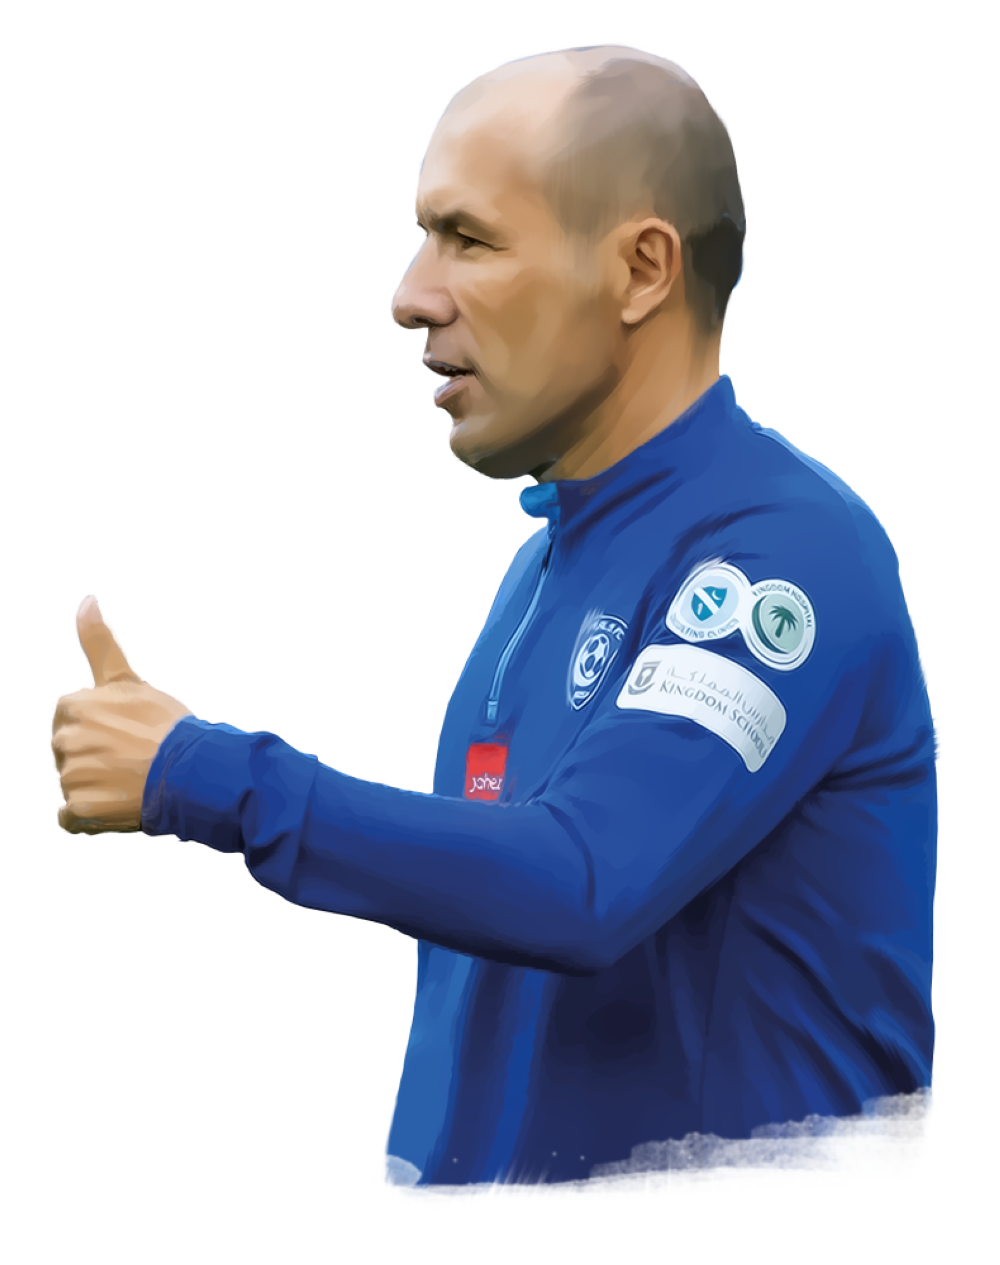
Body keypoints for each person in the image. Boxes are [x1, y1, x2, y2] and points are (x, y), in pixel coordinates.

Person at [51, 46, 936, 1188]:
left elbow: (582, 881)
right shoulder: (545, 567)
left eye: (466, 239)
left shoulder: (787, 558)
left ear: (641, 270)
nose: (410, 294)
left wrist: (204, 774)